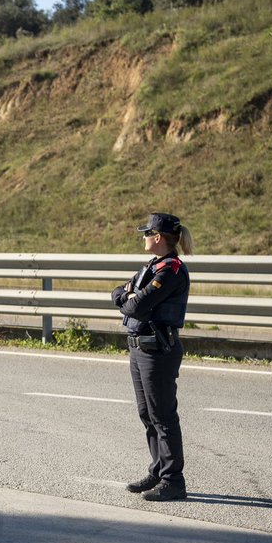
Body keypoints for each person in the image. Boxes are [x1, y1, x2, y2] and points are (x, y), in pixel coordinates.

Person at [111, 212, 193, 502]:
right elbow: (118, 293)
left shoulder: (171, 270)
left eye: (147, 233)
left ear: (158, 237)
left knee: (163, 415)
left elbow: (137, 306)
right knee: (147, 414)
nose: (144, 237)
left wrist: (130, 298)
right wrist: (127, 296)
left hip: (158, 350)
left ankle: (173, 480)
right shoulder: (152, 266)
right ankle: (158, 471)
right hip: (140, 348)